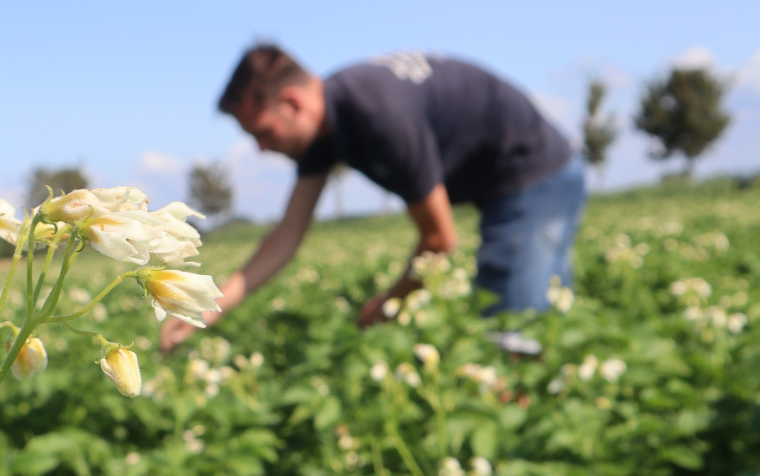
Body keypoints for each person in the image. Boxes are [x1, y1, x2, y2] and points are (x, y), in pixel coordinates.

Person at [159, 44, 586, 352]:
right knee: (537, 319)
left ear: (292, 102)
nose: (262, 149)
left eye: (264, 132)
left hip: (536, 173)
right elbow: (287, 234)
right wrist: (207, 308)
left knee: (512, 332)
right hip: (513, 180)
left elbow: (440, 239)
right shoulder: (327, 127)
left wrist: (389, 304)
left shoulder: (378, 116)